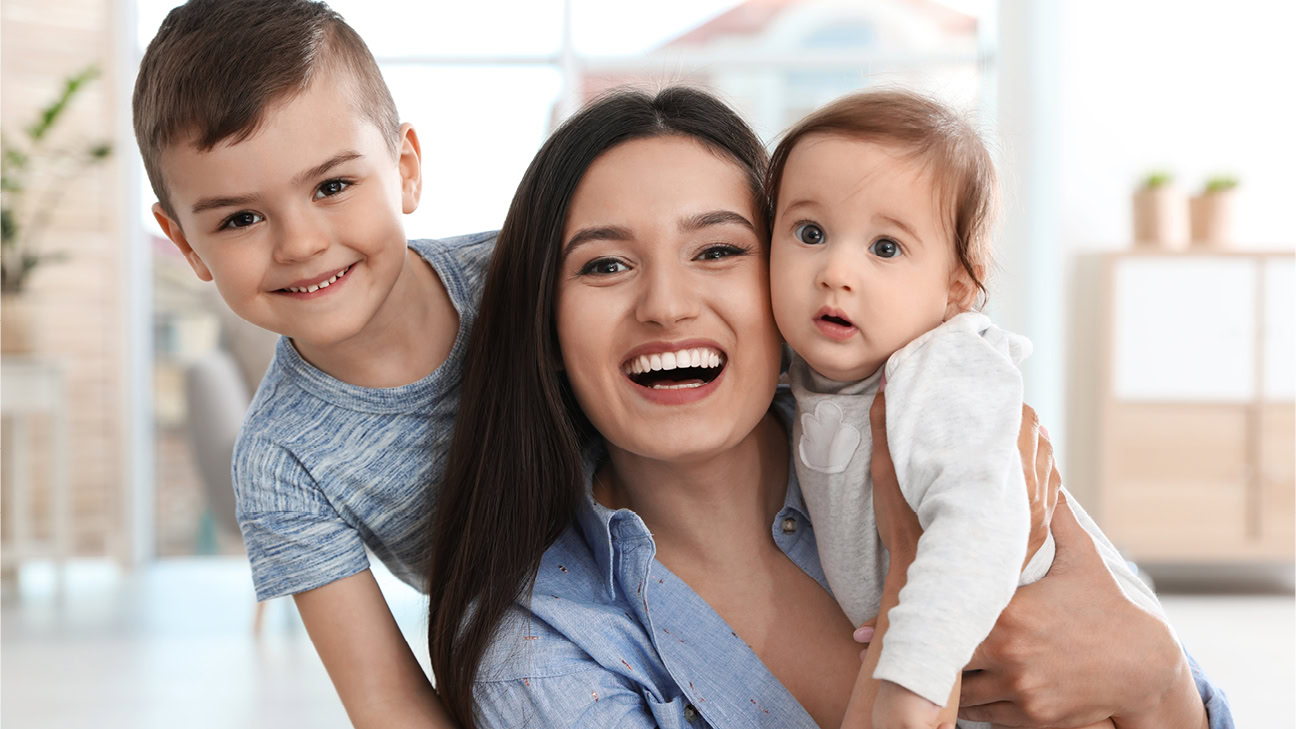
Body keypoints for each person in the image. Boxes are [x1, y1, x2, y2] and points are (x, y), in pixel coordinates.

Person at [424, 86, 1231, 729]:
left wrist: (1156, 677)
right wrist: (910, 573)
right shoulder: (542, 649)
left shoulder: (928, 414)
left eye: (718, 249)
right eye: (605, 265)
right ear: (545, 321)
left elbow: (1163, 687)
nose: (667, 305)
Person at [131, 1, 486, 725]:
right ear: (186, 243)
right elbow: (385, 698)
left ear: (405, 169)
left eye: (331, 186)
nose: (300, 243)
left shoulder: (524, 274)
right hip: (540, 659)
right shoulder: (279, 462)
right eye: (240, 218)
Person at [765, 89, 1158, 728]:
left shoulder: (941, 368)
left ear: (955, 289)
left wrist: (913, 681)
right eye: (811, 234)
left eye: (885, 248)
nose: (835, 271)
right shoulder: (802, 370)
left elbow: (979, 522)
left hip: (1066, 667)